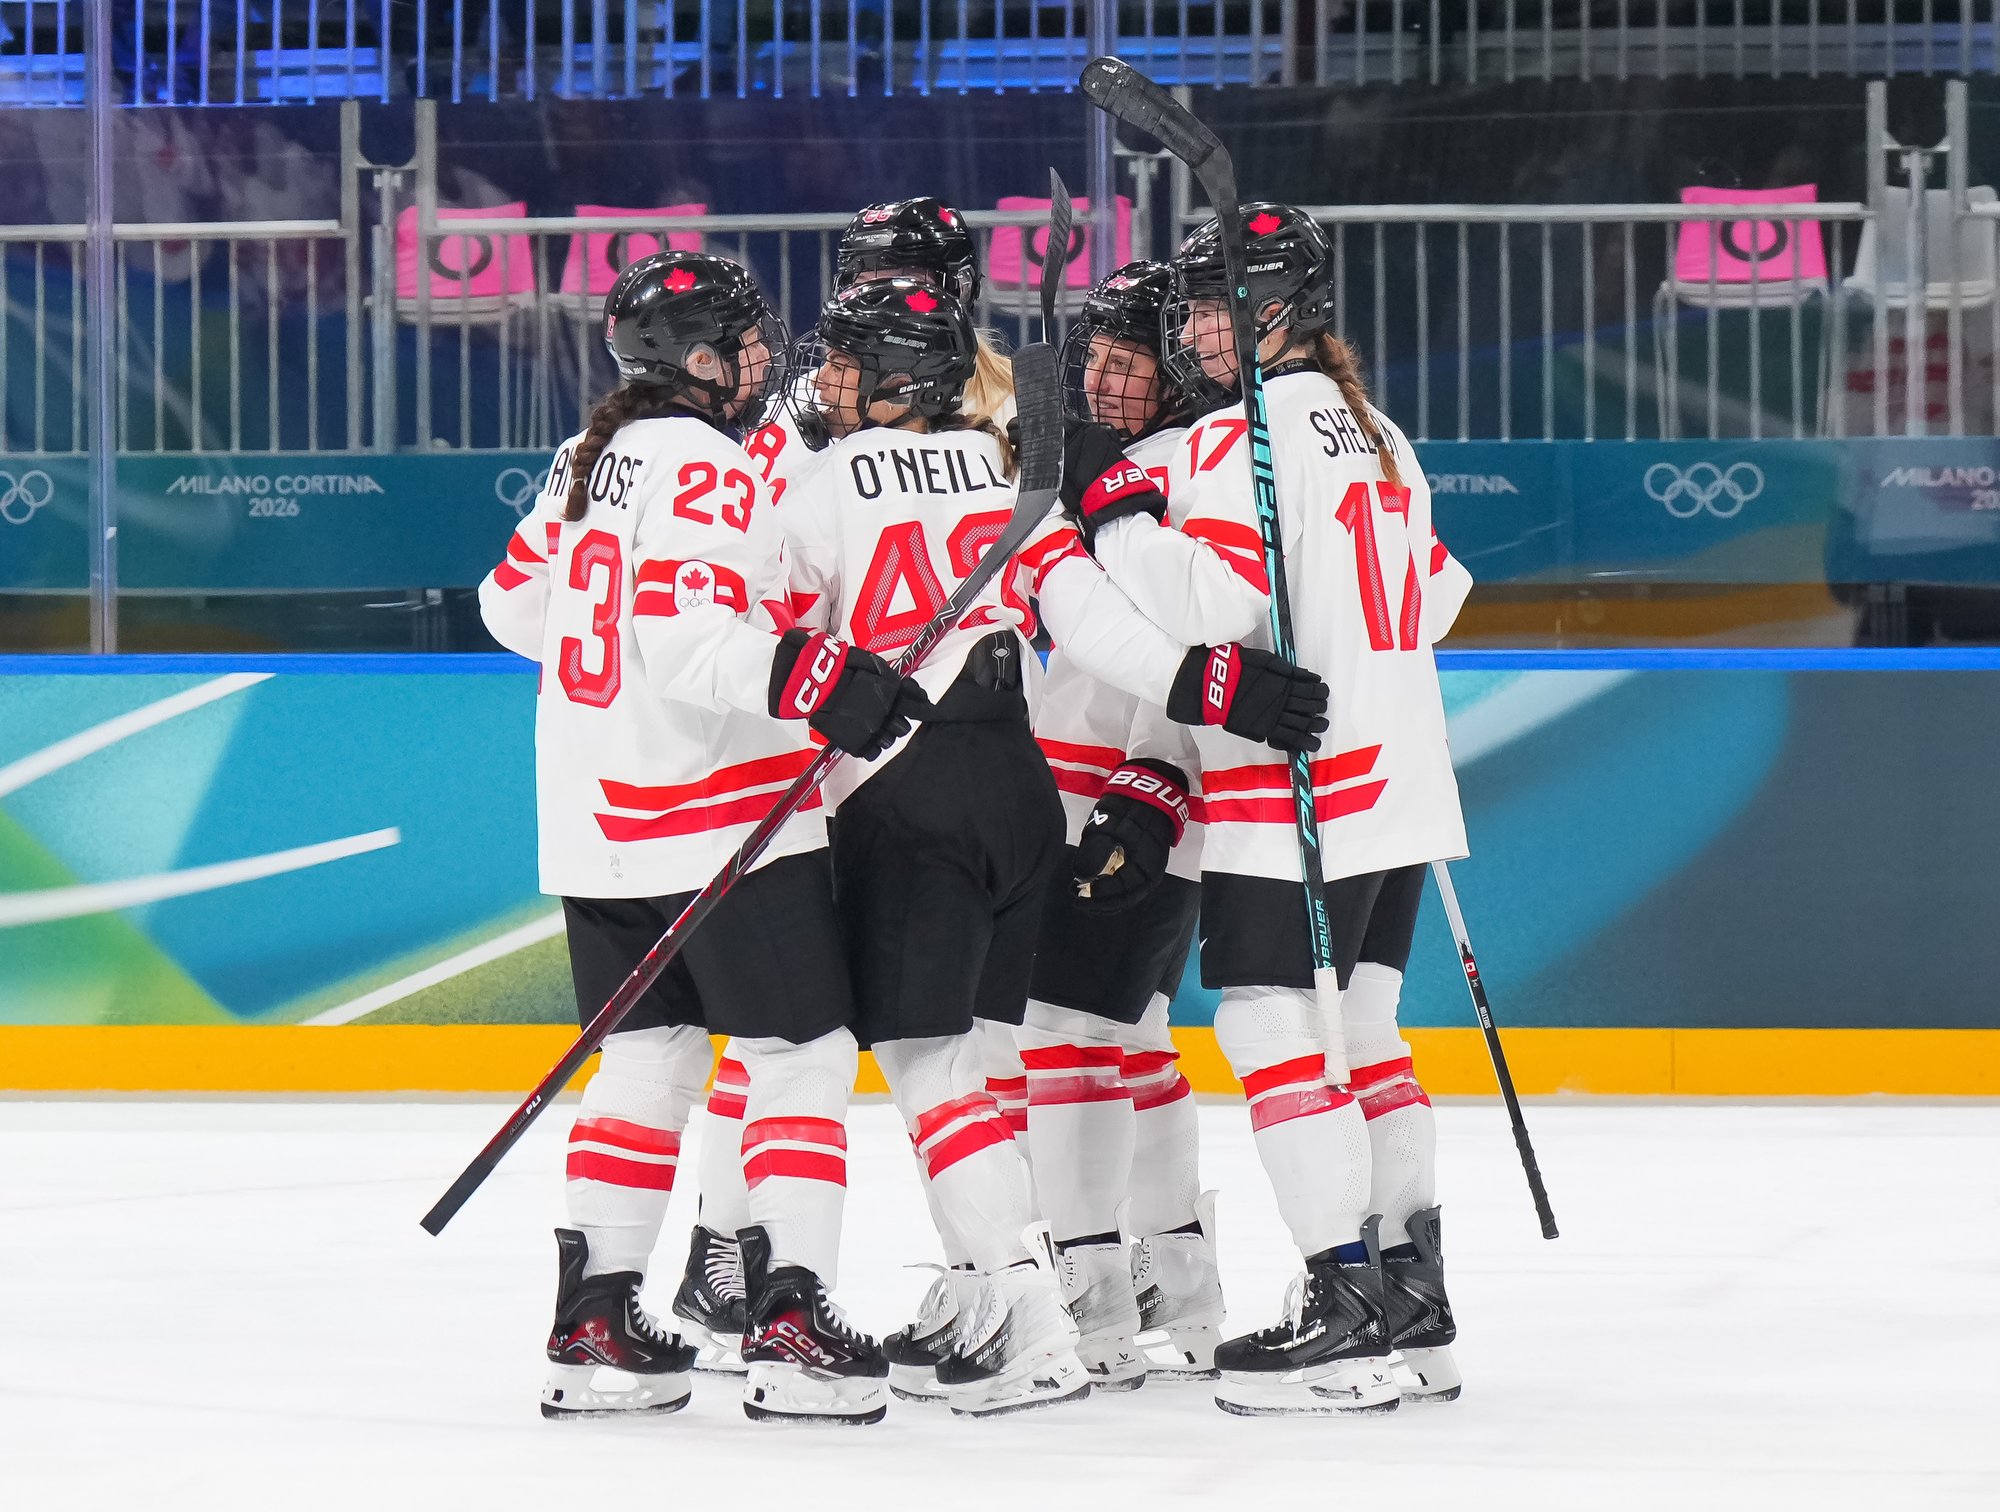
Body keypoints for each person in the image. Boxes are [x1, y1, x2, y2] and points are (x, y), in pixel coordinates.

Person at [775, 277, 1329, 1417]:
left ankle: (1043, 1299)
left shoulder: (831, 479)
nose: (826, 381)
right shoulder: (1004, 471)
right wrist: (1203, 683)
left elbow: (770, 632)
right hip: (1024, 790)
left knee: (973, 1062)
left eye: (847, 363)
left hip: (928, 790)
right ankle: (1064, 1285)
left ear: (897, 376)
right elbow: (1088, 616)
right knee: (1034, 1052)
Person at [476, 249, 930, 1426]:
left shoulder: (584, 459)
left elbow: (509, 607)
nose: (763, 360)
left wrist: (627, 683)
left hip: (596, 824)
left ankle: (595, 1323)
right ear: (695, 360)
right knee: (800, 1057)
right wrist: (817, 676)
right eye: (744, 343)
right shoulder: (704, 461)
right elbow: (689, 641)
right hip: (713, 820)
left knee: (649, 1060)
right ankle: (791, 1317)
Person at [1064, 202, 1473, 1415]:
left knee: (1268, 1029)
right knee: (1367, 1037)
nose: (1192, 330)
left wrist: (1114, 512)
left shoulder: (1229, 437)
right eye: (1190, 307)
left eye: (1210, 305)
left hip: (1298, 788)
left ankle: (1339, 1304)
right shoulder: (1378, 430)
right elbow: (1440, 596)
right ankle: (1411, 1298)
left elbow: (1213, 608)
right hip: (1401, 778)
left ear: (1276, 308)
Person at [677, 199, 1024, 1371]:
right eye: (864, 275)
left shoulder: (930, 408)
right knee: (795, 1027)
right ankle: (730, 1249)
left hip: (892, 749)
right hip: (854, 748)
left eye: (894, 277)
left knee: (936, 1042)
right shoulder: (967, 419)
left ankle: (999, 1283)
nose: (869, 297)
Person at [1014, 261, 1228, 1391]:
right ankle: (1181, 1292)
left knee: (1065, 1040)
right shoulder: (1120, 464)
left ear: (1177, 369)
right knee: (1132, 1040)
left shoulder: (1177, 474)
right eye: (1091, 357)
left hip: (1129, 803)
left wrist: (1154, 778)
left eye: (1125, 360)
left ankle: (1088, 1301)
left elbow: (1202, 638)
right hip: (1092, 795)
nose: (1100, 378)